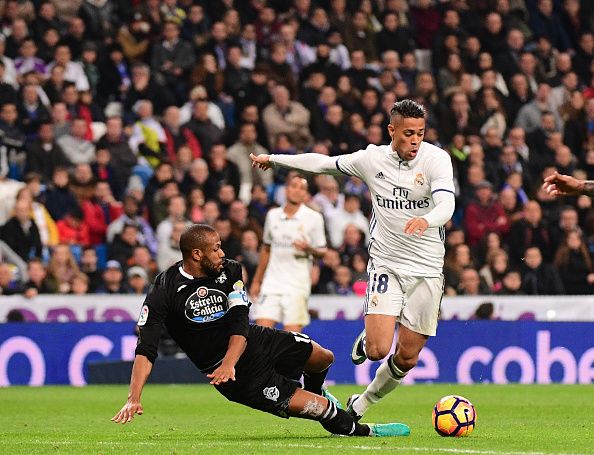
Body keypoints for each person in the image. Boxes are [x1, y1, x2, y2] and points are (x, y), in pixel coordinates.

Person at [251, 99, 455, 422]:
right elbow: (322, 163)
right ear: (392, 131)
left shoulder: (436, 160)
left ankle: (362, 403)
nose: (415, 141)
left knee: (407, 357)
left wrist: (428, 220)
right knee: (376, 350)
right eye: (407, 134)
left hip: (428, 269)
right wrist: (274, 160)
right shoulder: (371, 159)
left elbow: (446, 204)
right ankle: (370, 334)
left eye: (420, 133)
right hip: (386, 263)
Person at [112, 224, 408, 438]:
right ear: (196, 254)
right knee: (325, 412)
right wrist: (133, 396)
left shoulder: (230, 270)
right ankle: (365, 431)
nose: (222, 253)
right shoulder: (164, 290)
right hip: (235, 377)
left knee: (323, 357)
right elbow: (146, 348)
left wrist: (231, 359)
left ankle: (316, 390)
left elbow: (239, 320)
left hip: (252, 342)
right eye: (215, 249)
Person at [249, 175, 327, 333]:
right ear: (286, 189)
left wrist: (309, 249)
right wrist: (257, 280)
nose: (297, 190)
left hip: (297, 286)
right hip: (271, 283)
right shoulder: (272, 216)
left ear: (306, 194)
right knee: (260, 334)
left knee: (291, 339)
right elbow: (266, 248)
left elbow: (322, 251)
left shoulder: (314, 218)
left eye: (302, 188)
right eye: (294, 186)